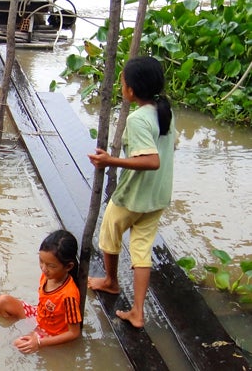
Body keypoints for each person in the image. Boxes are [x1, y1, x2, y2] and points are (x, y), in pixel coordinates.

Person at [87, 55, 176, 329]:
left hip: (134, 195)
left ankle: (111, 282)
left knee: (109, 233)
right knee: (141, 250)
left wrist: (109, 160)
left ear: (132, 90)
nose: (121, 86)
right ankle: (138, 311)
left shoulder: (137, 119)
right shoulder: (165, 111)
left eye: (122, 82)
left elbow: (151, 160)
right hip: (158, 196)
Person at [0, 230, 82, 354]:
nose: (44, 269)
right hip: (38, 315)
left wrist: (40, 343)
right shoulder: (47, 276)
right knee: (2, 303)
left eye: (51, 266)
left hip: (51, 332)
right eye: (41, 261)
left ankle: (30, 337)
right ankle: (28, 332)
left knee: (16, 344)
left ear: (68, 267)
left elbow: (74, 333)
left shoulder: (68, 295)